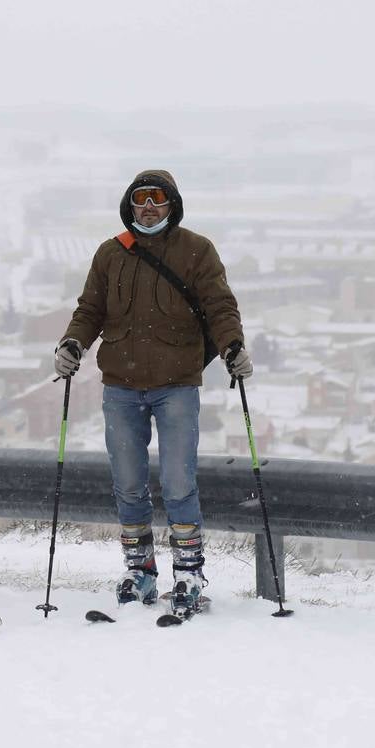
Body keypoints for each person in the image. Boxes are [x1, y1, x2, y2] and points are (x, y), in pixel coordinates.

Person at [54, 169, 253, 616]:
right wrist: (72, 343)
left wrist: (232, 348)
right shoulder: (110, 253)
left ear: (172, 205)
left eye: (157, 199)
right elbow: (90, 310)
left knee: (179, 483)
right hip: (120, 386)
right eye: (141, 199)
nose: (148, 206)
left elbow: (221, 307)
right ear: (129, 204)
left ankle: (189, 574)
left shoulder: (196, 251)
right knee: (127, 483)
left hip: (177, 385)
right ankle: (140, 570)